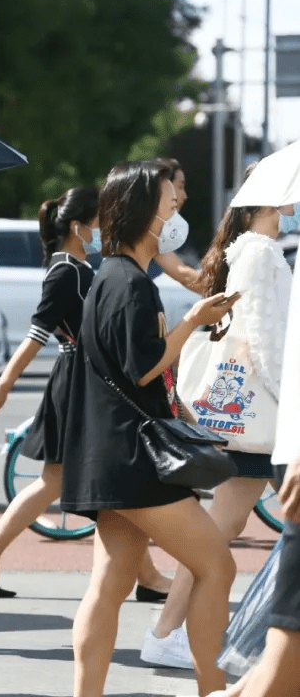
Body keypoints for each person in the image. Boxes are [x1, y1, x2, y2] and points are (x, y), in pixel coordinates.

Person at [61, 160, 239, 697]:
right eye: (168, 201)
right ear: (142, 212)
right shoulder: (131, 283)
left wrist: (179, 405)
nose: (176, 207)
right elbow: (142, 366)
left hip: (109, 455)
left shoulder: (110, 277)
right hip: (136, 461)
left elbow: (128, 372)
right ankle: (213, 686)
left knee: (110, 584)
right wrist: (194, 320)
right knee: (217, 566)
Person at [0, 187, 171, 602]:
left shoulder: (74, 267)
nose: (105, 228)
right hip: (78, 379)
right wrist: (3, 385)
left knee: (75, 481)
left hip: (81, 375)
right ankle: (146, 577)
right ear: (79, 226)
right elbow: (36, 333)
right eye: (100, 221)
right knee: (85, 480)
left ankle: (145, 576)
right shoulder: (68, 271)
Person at [142, 174, 293, 669]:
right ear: (270, 199)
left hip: (247, 415)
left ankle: (170, 631)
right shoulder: (262, 252)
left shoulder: (248, 248)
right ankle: (175, 633)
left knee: (219, 528)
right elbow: (264, 339)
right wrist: (288, 398)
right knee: (218, 530)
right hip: (260, 412)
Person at [231, 202, 300, 697]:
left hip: (278, 420)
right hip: (271, 413)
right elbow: (263, 336)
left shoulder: (264, 251)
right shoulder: (260, 252)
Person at [152, 157, 201, 293]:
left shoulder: (159, 231)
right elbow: (185, 275)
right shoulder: (147, 230)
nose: (184, 196)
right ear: (163, 188)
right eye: (180, 187)